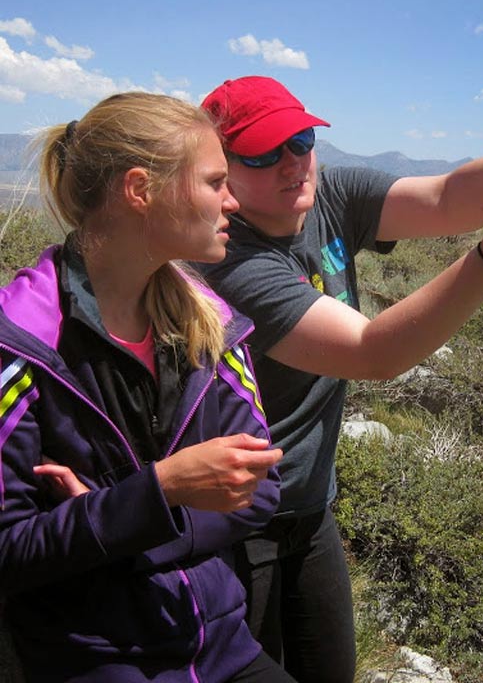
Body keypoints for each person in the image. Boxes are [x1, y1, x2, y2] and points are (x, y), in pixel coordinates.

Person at [197, 76, 483, 683]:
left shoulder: (328, 196)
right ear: (217, 168)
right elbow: (372, 352)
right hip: (237, 530)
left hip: (309, 507)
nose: (292, 162)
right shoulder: (226, 262)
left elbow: (447, 195)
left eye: (300, 140)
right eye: (261, 153)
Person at [0, 92, 298, 683]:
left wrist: (123, 517)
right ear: (141, 190)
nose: (233, 201)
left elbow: (262, 489)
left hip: (221, 644)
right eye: (215, 182)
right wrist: (166, 488)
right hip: (94, 656)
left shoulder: (211, 324)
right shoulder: (20, 343)